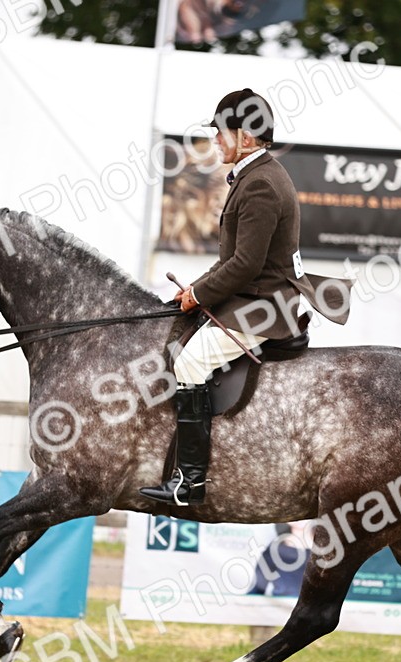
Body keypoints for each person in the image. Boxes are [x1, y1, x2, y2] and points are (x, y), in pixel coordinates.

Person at [140, 88, 353, 506]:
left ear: (247, 138)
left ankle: (190, 483)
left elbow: (246, 266)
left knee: (190, 362)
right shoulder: (257, 175)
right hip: (254, 295)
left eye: (221, 132)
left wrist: (199, 294)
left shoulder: (261, 185)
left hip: (263, 306)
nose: (216, 140)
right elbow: (234, 261)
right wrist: (195, 291)